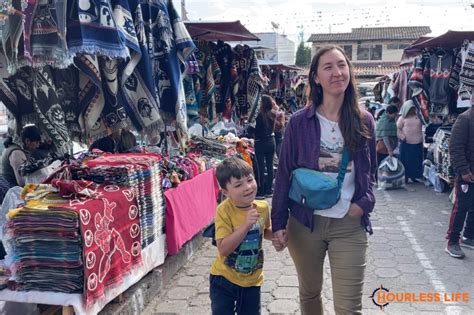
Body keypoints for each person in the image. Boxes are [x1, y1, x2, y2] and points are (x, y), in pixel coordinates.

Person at [271, 46, 376, 314]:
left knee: (349, 307)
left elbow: (370, 172)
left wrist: (364, 203)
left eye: (342, 65)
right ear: (316, 77)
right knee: (309, 295)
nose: (337, 72)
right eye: (328, 67)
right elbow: (284, 174)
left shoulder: (364, 120)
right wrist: (279, 223)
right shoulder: (299, 122)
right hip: (305, 223)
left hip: (349, 224)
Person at [209, 157, 272, 315]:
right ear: (225, 192)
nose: (247, 187)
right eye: (238, 185)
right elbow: (223, 249)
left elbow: (264, 231)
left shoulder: (263, 207)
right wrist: (245, 225)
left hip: (252, 279)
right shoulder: (224, 211)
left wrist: (280, 236)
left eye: (250, 180)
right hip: (224, 279)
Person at [445, 108, 474, 259]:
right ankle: (452, 241)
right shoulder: (465, 119)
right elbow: (455, 147)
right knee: (461, 207)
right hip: (467, 174)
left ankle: (469, 236)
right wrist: (463, 170)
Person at [0, 125, 41, 201]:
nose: (38, 146)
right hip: (9, 190)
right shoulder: (17, 153)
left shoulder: (20, 150)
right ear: (27, 141)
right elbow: (22, 182)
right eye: (36, 142)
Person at [254, 95, 276, 199]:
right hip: (271, 141)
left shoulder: (260, 115)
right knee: (270, 166)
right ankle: (269, 190)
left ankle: (261, 191)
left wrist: (250, 131)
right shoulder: (273, 114)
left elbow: (257, 130)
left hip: (261, 142)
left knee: (261, 167)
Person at [397, 100, 423, 183]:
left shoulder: (419, 116)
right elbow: (398, 129)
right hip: (406, 143)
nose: (412, 110)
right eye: (410, 109)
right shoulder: (402, 118)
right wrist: (402, 136)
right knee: (405, 161)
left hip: (417, 142)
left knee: (415, 161)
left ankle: (414, 176)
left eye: (413, 108)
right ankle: (405, 177)